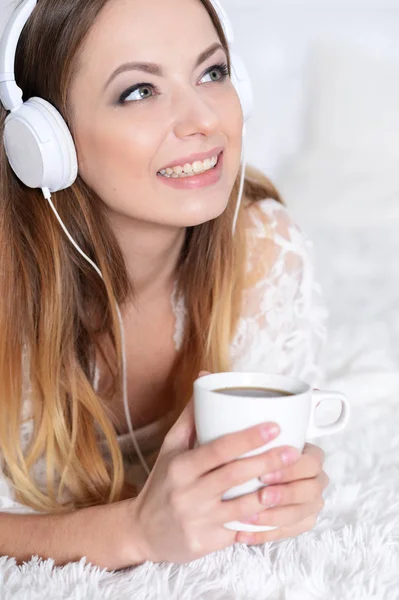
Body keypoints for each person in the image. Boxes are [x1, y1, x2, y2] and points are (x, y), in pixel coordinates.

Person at [0, 0, 328, 570]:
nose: (204, 119)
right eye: (139, 92)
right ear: (43, 142)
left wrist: (279, 491)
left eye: (212, 72)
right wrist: (131, 534)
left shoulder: (263, 252)